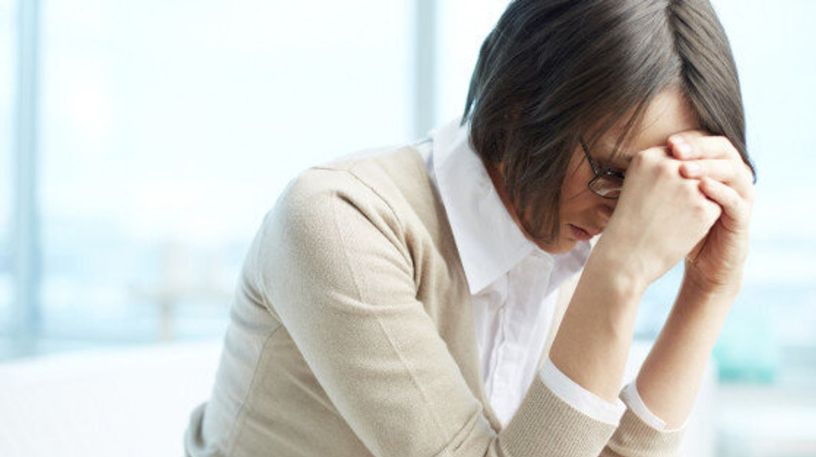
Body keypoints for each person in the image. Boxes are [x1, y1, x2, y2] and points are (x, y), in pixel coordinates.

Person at [185, 0, 756, 456]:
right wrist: (620, 276)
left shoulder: (565, 253)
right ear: (520, 105)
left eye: (656, 185)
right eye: (613, 173)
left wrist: (708, 291)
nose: (627, 217)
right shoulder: (339, 221)